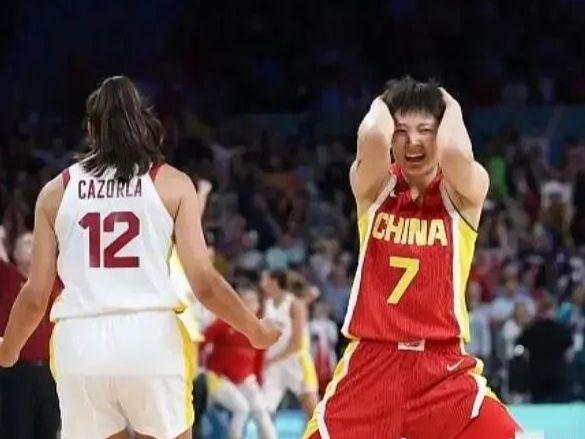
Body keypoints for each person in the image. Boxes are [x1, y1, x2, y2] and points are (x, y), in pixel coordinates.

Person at [0, 75, 280, 439]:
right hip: (150, 339)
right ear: (144, 122)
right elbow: (206, 284)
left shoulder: (55, 192)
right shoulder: (172, 183)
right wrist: (254, 329)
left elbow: (36, 294)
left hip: (80, 343)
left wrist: (9, 349)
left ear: (91, 128)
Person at [303, 77, 521, 439]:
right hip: (372, 362)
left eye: (425, 130)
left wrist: (450, 105)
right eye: (401, 131)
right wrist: (388, 99)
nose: (413, 141)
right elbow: (373, 136)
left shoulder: (464, 191)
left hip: (442, 367)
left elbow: (455, 153)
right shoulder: (373, 186)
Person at [0, 232, 60, 439]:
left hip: (50, 372)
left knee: (49, 429)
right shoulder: (7, 278)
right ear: (15, 252)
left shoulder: (54, 282)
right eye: (27, 243)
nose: (34, 245)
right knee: (18, 431)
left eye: (36, 241)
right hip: (15, 371)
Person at [202, 287, 277, 439]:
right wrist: (199, 370)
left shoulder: (260, 328)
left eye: (254, 301)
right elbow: (201, 342)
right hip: (219, 378)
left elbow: (259, 360)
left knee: (261, 410)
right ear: (238, 303)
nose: (251, 305)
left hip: (245, 379)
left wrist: (259, 382)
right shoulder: (224, 322)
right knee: (242, 409)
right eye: (246, 301)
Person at [261, 269, 319, 417]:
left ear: (274, 282)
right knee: (265, 410)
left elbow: (297, 343)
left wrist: (273, 359)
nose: (261, 283)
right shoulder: (266, 304)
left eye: (265, 280)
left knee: (312, 408)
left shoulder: (295, 304)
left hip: (296, 360)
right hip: (273, 363)